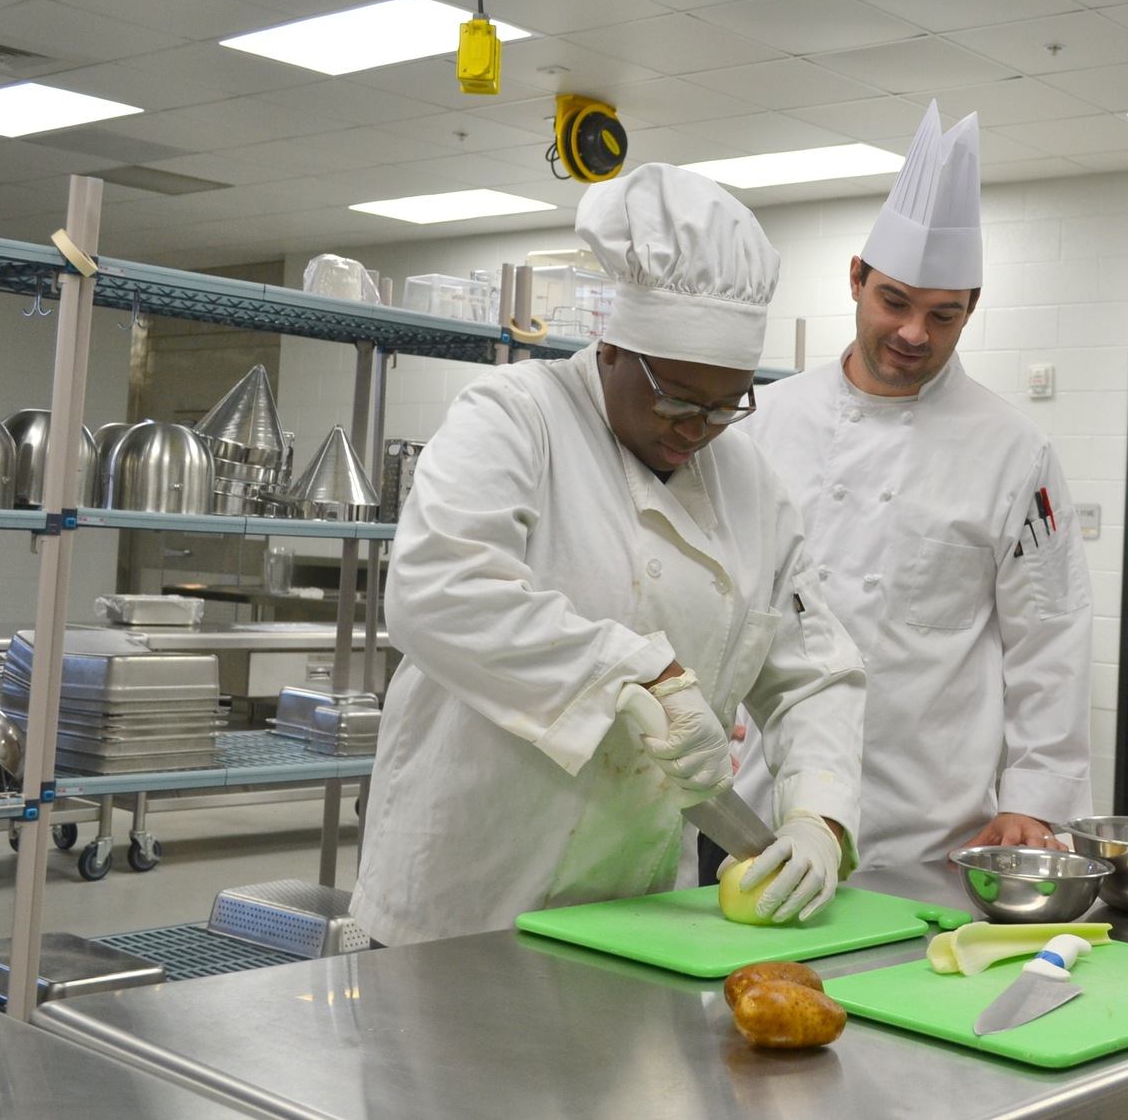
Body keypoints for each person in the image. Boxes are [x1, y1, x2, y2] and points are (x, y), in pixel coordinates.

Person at [351, 163, 865, 947]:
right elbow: (437, 590)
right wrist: (632, 676)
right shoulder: (516, 418)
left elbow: (812, 670)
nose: (697, 429)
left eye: (726, 404)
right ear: (614, 346)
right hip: (465, 899)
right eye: (678, 399)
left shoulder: (750, 486)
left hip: (634, 910)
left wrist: (817, 814)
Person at [729, 103, 1092, 874]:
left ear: (971, 311)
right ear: (856, 278)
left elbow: (1050, 628)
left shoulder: (1013, 450)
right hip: (761, 813)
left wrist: (1033, 795)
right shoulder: (766, 423)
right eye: (894, 301)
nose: (914, 334)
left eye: (943, 315)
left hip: (928, 829)